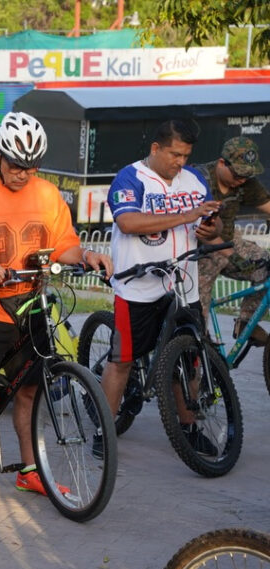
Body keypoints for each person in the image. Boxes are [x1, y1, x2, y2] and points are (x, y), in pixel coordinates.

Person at [0, 111, 111, 507]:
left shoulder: (47, 194)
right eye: (15, 164)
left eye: (31, 166)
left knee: (30, 393)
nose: (23, 173)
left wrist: (86, 255)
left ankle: (30, 471)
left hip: (32, 306)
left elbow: (64, 243)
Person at [101, 119, 221, 456]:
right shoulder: (131, 178)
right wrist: (186, 216)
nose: (180, 161)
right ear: (156, 148)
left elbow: (209, 220)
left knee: (188, 359)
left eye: (185, 155)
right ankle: (105, 430)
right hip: (138, 288)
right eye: (174, 154)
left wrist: (211, 227)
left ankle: (189, 427)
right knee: (122, 360)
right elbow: (128, 221)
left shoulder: (194, 179)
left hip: (184, 286)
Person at [194, 137, 270, 343]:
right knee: (198, 294)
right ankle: (195, 341)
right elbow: (204, 233)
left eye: (247, 174)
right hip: (196, 248)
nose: (242, 179)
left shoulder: (246, 183)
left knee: (265, 264)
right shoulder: (199, 179)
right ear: (221, 163)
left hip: (228, 240)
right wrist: (233, 257)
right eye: (237, 173)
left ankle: (246, 322)